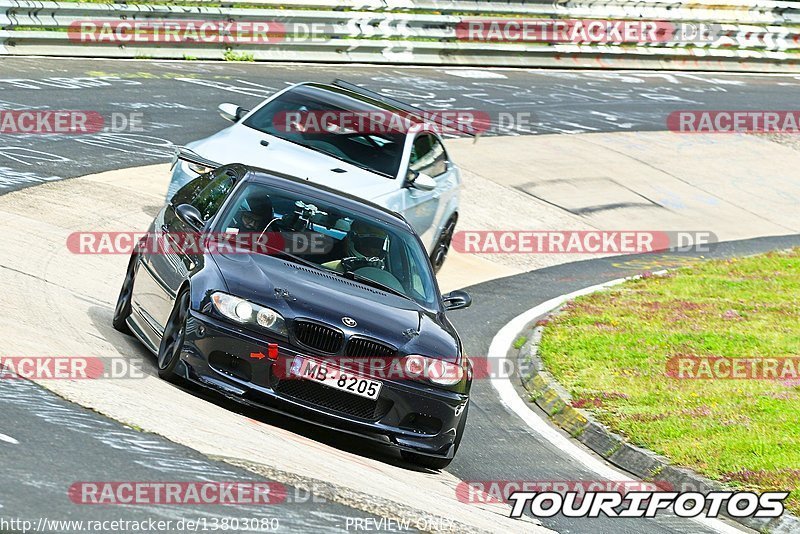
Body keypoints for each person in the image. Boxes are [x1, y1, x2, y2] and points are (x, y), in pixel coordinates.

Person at [323, 220, 388, 273]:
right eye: (369, 242)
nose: (373, 249)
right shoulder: (324, 251)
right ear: (352, 238)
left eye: (379, 244)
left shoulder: (382, 269)